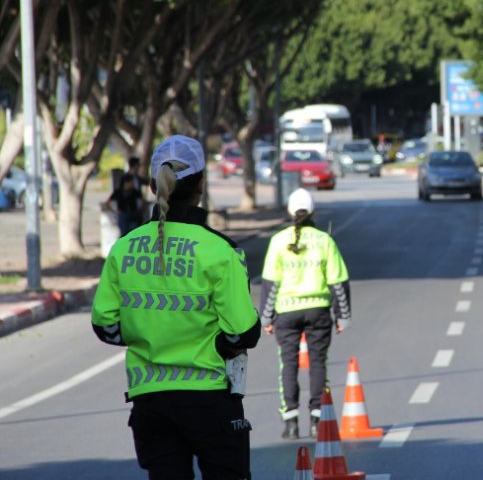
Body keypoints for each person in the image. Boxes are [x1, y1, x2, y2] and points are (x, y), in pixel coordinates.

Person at [91, 135, 261, 480]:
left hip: (150, 403)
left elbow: (105, 326)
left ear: (153, 186)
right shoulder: (220, 250)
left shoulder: (123, 248)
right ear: (200, 184)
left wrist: (147, 332)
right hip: (211, 399)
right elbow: (244, 332)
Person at [260, 188, 351, 440]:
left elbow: (270, 283)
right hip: (318, 311)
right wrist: (342, 316)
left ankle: (290, 422)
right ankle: (316, 421)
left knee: (288, 364)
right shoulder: (324, 240)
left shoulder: (278, 240)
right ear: (313, 212)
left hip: (286, 312)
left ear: (290, 211)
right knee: (318, 362)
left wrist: (267, 318)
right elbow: (338, 281)